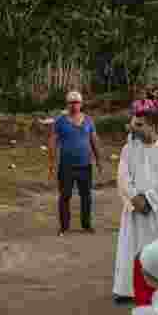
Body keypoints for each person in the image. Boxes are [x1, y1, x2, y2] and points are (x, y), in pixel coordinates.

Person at [113, 102, 158, 303]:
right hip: (135, 210)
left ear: (153, 126)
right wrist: (135, 198)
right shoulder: (128, 149)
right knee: (131, 249)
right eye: (134, 124)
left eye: (139, 125)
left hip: (157, 211)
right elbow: (122, 177)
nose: (134, 128)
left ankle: (157, 289)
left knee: (156, 249)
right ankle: (128, 289)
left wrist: (150, 200)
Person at [48, 91, 104, 236]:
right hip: (66, 166)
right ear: (67, 104)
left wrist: (98, 160)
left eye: (77, 102)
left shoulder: (88, 121)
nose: (74, 105)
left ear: (81, 104)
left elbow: (94, 141)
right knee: (65, 196)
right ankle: (64, 226)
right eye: (71, 102)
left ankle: (86, 225)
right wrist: (52, 162)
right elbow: (53, 142)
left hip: (85, 166)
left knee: (86, 196)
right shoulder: (60, 121)